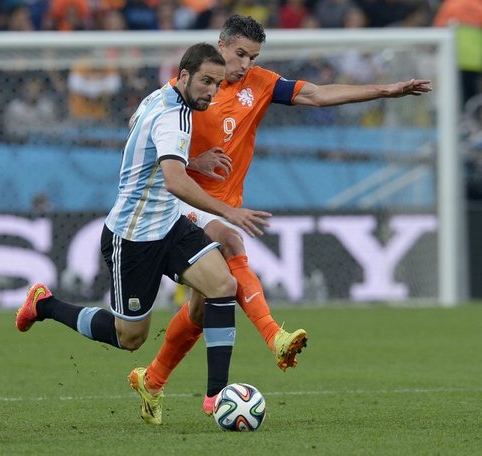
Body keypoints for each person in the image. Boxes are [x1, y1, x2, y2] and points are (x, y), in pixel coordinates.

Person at [138, 14, 433, 415]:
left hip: (223, 205)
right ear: (221, 46)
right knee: (231, 241)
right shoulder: (189, 88)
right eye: (240, 54)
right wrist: (192, 160)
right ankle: (273, 336)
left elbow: (317, 95)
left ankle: (152, 380)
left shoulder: (260, 83)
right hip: (181, 202)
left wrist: (384, 90)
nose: (245, 64)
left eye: (253, 57)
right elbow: (142, 133)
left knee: (200, 308)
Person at [14, 42, 271, 425]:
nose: (212, 91)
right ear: (184, 75)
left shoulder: (160, 97)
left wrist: (188, 160)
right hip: (133, 238)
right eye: (205, 81)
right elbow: (174, 182)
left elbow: (136, 129)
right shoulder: (175, 117)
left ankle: (217, 397)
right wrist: (228, 211)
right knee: (129, 338)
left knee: (222, 286)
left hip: (168, 225)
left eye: (217, 84)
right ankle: (45, 304)